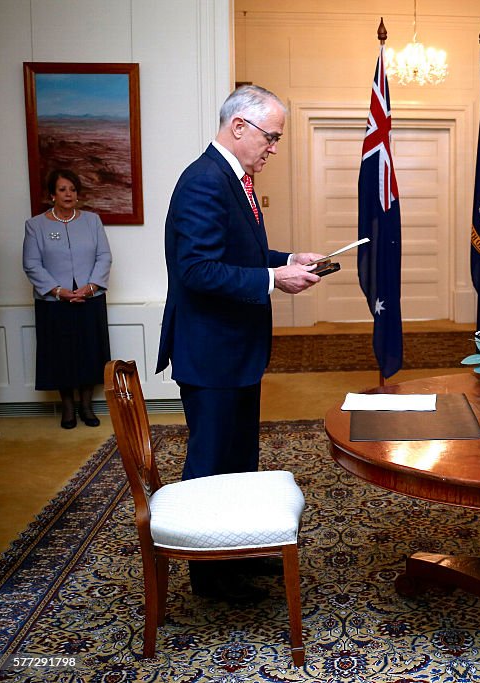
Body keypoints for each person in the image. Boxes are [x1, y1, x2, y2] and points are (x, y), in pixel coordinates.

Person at [156, 84, 324, 603]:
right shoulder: (204, 181)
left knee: (238, 460)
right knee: (211, 466)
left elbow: (241, 251)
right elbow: (199, 270)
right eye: (270, 137)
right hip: (212, 353)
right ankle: (211, 576)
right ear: (239, 127)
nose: (273, 147)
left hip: (235, 350)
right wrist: (275, 280)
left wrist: (286, 258)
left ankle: (241, 552)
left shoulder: (235, 179)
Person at [22, 168, 112, 429]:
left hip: (89, 298)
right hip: (54, 303)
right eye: (62, 190)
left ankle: (86, 406)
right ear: (52, 194)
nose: (68, 194)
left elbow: (104, 256)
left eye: (72, 189)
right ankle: (68, 408)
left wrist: (90, 286)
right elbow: (31, 264)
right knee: (60, 355)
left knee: (89, 352)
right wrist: (58, 291)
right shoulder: (35, 225)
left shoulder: (92, 221)